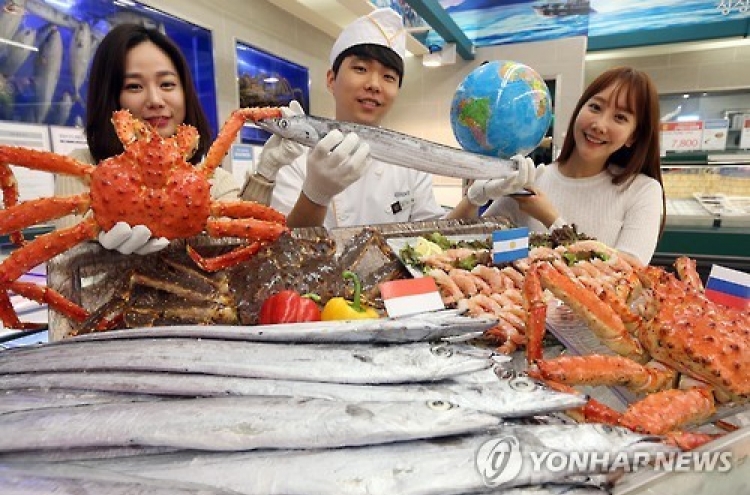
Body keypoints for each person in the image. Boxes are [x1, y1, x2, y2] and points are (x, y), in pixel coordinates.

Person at [240, 8, 533, 229]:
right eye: (360, 69)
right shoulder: (290, 154)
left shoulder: (409, 164)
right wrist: (316, 193)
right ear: (331, 79)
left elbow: (430, 235)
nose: (374, 84)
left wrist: (475, 199)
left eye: (389, 76)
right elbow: (280, 247)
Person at [55, 23, 240, 254]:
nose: (155, 99)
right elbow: (63, 271)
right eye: (134, 86)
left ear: (185, 92)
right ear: (111, 97)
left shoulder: (216, 181)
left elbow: (240, 258)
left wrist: (265, 177)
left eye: (167, 84)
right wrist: (95, 252)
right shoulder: (81, 170)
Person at [452, 66, 665, 266]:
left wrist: (552, 220)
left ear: (633, 136)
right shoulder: (533, 182)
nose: (599, 125)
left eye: (620, 117)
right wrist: (475, 197)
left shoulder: (641, 190)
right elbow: (455, 247)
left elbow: (630, 271)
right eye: (595, 107)